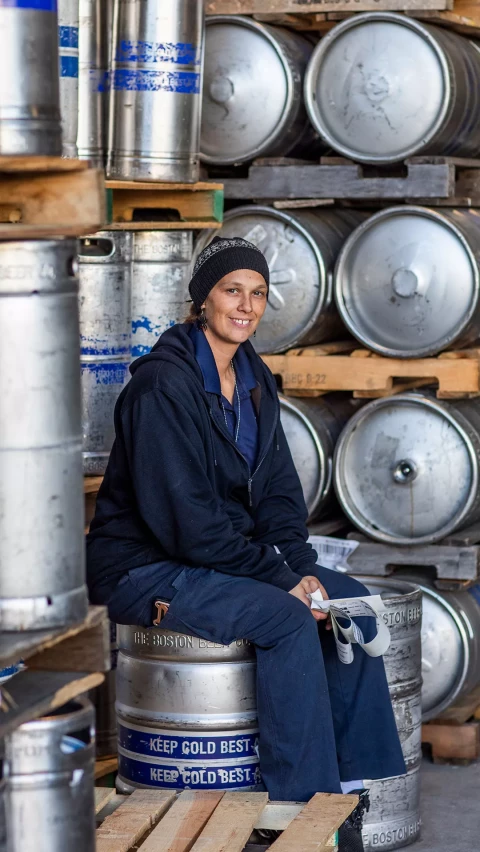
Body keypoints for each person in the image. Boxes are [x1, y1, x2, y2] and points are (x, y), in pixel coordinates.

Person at [87, 237, 405, 848]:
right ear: (202, 298)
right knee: (287, 619)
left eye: (257, 293)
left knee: (348, 605)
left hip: (216, 556)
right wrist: (283, 582)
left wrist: (304, 567)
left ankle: (349, 791)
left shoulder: (254, 378)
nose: (247, 305)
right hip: (145, 567)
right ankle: (298, 814)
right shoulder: (161, 388)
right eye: (233, 290)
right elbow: (187, 523)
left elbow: (279, 491)